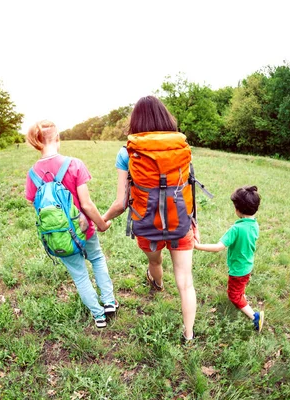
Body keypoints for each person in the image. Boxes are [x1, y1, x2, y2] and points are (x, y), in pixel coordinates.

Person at [102, 96, 198, 342]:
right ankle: (189, 335)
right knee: (186, 282)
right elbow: (189, 190)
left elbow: (121, 203)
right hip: (181, 223)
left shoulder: (127, 152)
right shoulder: (181, 148)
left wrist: (100, 220)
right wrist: (194, 224)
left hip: (147, 225)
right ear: (166, 118)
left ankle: (157, 284)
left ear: (135, 121)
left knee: (155, 263)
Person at [24, 120, 118, 328]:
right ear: (58, 138)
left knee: (80, 276)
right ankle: (109, 302)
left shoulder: (32, 174)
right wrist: (101, 224)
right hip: (85, 229)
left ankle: (98, 316)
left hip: (60, 236)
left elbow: (38, 209)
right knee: (97, 260)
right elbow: (86, 203)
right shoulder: (74, 164)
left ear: (37, 143)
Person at [194, 186, 264, 332]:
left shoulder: (236, 229)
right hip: (247, 266)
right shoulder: (254, 224)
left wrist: (197, 246)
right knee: (240, 287)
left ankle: (255, 316)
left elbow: (219, 247)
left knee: (234, 296)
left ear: (237, 209)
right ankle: (242, 294)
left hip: (238, 270)